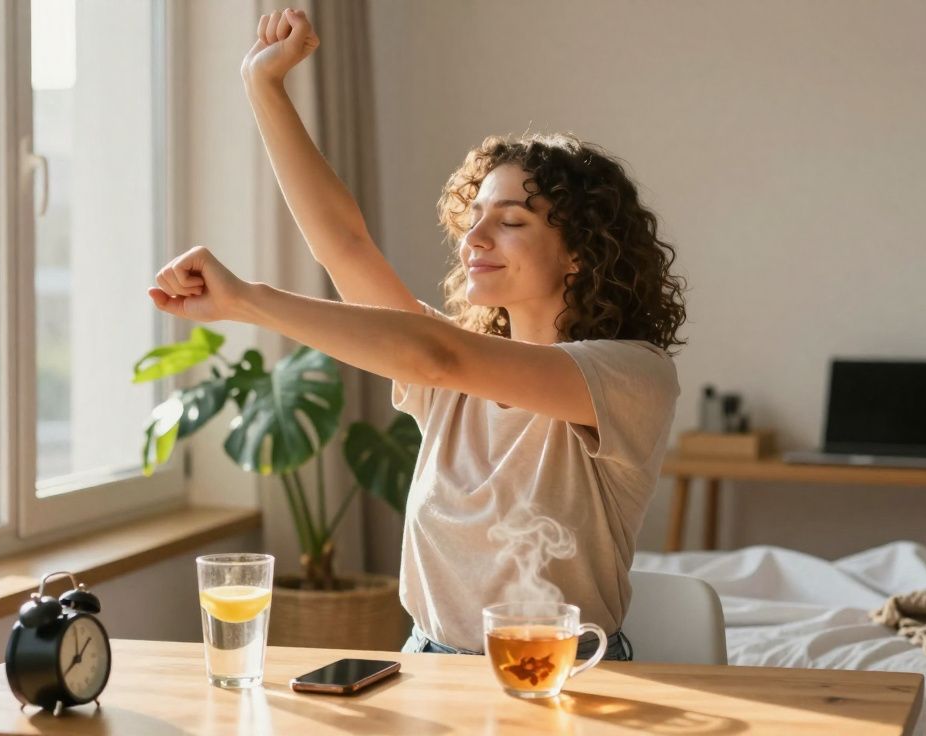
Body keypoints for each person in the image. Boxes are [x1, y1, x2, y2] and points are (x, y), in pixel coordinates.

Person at [148, 8, 685, 662]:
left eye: (511, 221)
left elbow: (437, 356)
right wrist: (262, 85)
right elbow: (345, 246)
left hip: (565, 674)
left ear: (580, 252)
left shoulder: (630, 375)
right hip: (427, 665)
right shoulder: (448, 377)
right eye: (474, 216)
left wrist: (246, 301)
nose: (474, 238)